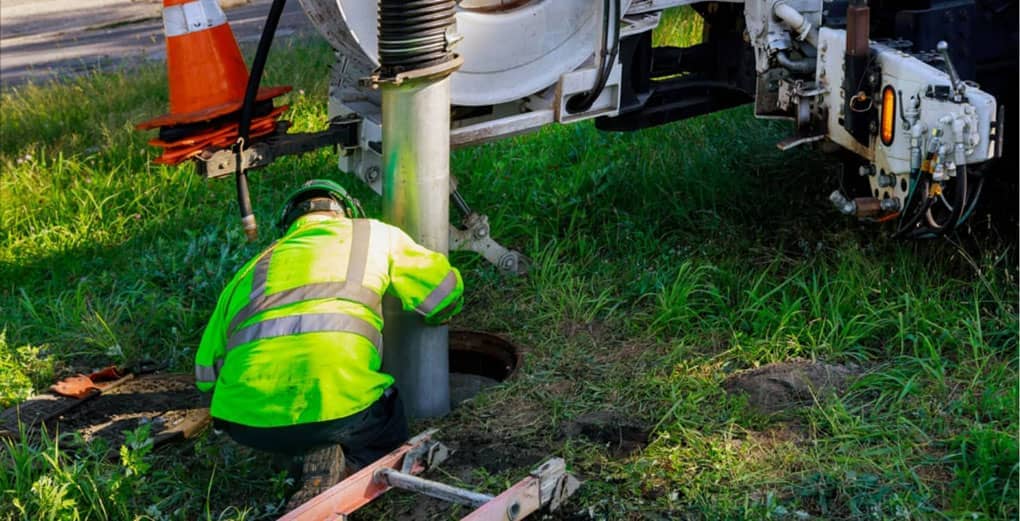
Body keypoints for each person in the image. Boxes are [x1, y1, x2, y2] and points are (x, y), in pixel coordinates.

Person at [193, 179, 463, 507]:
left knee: (292, 431)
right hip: (342, 411)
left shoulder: (247, 271)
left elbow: (205, 376)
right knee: (387, 415)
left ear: (288, 226)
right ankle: (351, 469)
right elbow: (444, 295)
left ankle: (297, 459)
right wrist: (442, 315)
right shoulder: (373, 235)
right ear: (346, 212)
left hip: (247, 425)